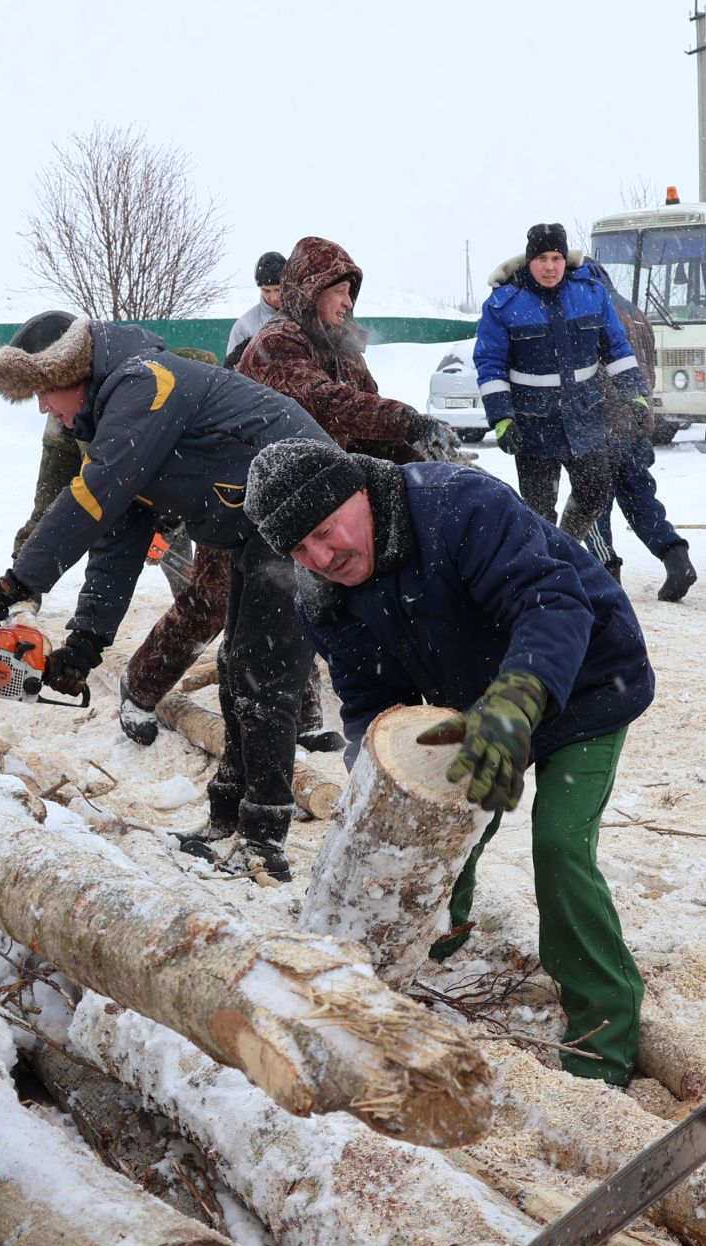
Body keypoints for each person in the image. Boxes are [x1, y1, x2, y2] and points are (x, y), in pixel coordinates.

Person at [244, 437, 654, 1082]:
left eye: (327, 531)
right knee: (436, 817)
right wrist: (381, 788)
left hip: (585, 685)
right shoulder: (322, 594)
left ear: (358, 494)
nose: (322, 557)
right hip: (474, 703)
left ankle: (603, 1031)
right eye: (299, 549)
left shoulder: (454, 505)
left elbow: (550, 600)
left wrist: (519, 700)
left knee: (559, 847)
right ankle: (440, 929)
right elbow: (371, 701)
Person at [0, 310, 332, 881]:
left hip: (303, 509)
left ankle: (264, 840)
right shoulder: (117, 414)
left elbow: (93, 496)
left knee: (265, 673)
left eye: (46, 391)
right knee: (239, 662)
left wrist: (18, 583)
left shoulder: (144, 384)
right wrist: (86, 642)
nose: (45, 407)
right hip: (255, 522)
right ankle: (226, 819)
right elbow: (117, 535)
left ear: (73, 372)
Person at [474, 223, 649, 562]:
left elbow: (616, 348)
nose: (550, 266)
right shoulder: (503, 305)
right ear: (529, 262)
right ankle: (545, 574)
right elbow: (489, 364)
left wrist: (636, 395)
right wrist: (502, 419)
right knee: (538, 509)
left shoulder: (590, 293)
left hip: (586, 418)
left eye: (556, 257)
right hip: (533, 424)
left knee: (596, 490)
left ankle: (564, 549)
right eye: (542, 258)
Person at [237, 235, 459, 463]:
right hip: (266, 484)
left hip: (325, 478)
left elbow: (368, 430)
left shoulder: (342, 349)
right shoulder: (275, 343)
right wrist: (407, 423)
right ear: (311, 290)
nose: (349, 302)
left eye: (350, 291)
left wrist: (428, 463)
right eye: (340, 291)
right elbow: (326, 404)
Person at [579, 257, 695, 601]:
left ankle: (605, 571)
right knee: (640, 496)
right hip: (636, 421)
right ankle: (676, 557)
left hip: (601, 423)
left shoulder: (588, 309)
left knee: (591, 500)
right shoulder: (636, 312)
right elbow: (648, 367)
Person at [224, 251, 287, 369]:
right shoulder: (244, 326)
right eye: (266, 291)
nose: (273, 297)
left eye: (278, 289)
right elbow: (232, 376)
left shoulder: (309, 318)